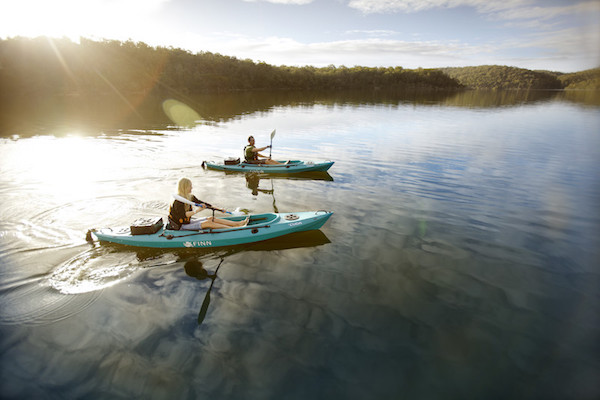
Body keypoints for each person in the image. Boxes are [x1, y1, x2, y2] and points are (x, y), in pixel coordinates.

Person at [168, 178, 248, 230]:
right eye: (190, 186)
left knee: (211, 218)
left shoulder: (190, 197)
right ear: (184, 187)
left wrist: (219, 209)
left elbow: (204, 204)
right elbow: (183, 215)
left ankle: (237, 224)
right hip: (180, 226)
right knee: (208, 223)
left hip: (187, 222)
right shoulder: (177, 201)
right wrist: (197, 211)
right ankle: (233, 229)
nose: (192, 188)